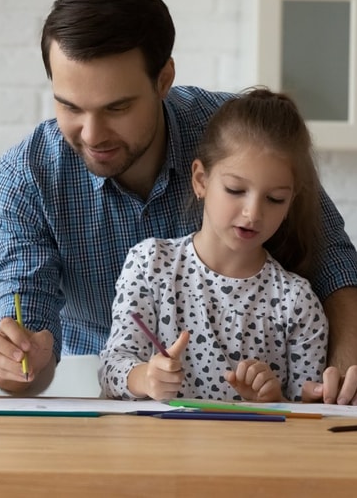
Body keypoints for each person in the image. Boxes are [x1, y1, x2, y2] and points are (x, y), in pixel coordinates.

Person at [0, 0, 357, 404]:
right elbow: (30, 349)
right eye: (69, 106)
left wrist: (347, 385)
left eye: (117, 107)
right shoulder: (26, 175)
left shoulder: (234, 134)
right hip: (106, 399)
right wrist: (18, 365)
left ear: (164, 79)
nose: (92, 133)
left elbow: (334, 264)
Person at [99, 88, 328, 401]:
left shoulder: (296, 302)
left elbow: (311, 420)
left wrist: (273, 401)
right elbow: (112, 368)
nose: (253, 213)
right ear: (201, 180)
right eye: (235, 190)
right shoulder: (150, 264)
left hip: (255, 451)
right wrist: (146, 378)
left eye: (275, 199)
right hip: (157, 448)